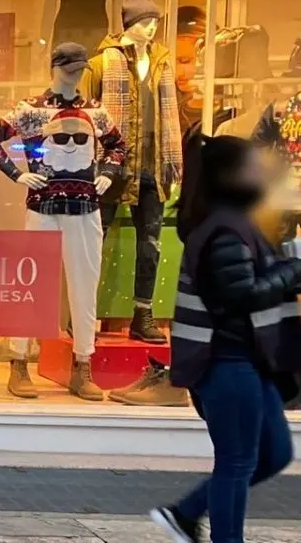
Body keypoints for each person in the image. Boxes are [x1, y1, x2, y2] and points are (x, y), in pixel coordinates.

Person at [152, 134, 301, 543]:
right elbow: (238, 296)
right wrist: (294, 268)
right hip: (227, 360)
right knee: (237, 462)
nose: (262, 174)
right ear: (229, 176)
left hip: (251, 360)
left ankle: (184, 513)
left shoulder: (237, 224)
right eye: (253, 167)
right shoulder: (222, 231)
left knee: (274, 454)